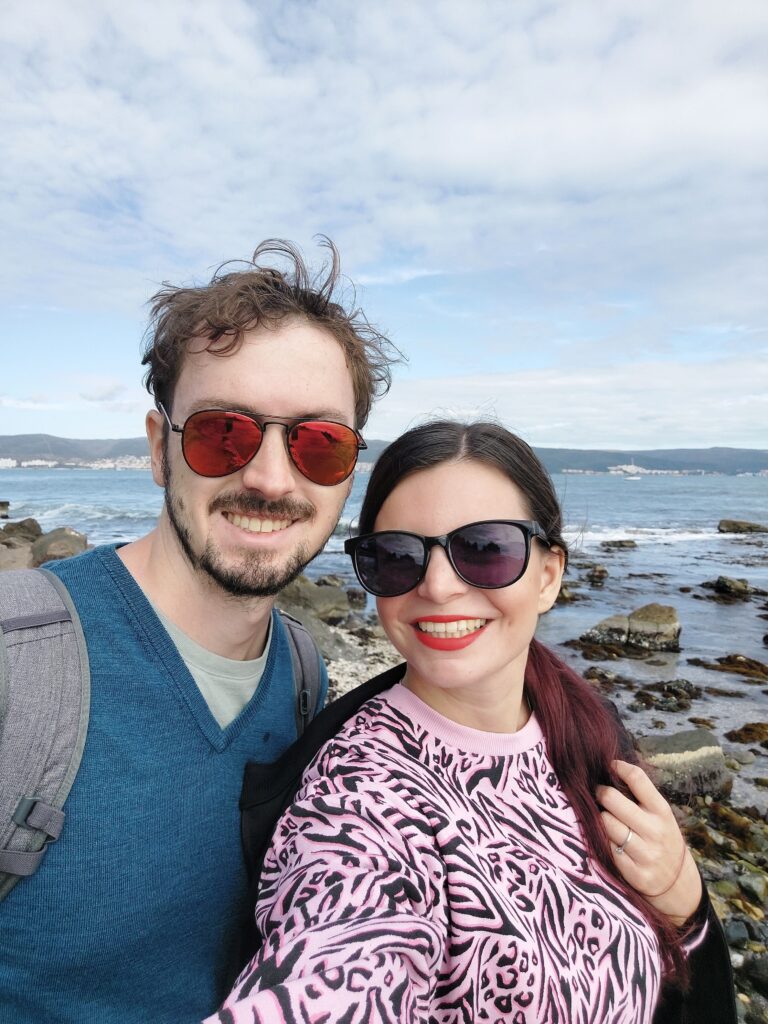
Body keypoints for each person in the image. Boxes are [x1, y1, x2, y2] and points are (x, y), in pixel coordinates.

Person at [210, 420, 735, 1024]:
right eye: (397, 556)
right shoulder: (361, 794)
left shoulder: (586, 727)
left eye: (487, 549)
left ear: (548, 575)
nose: (436, 587)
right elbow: (338, 966)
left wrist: (686, 903)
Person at [0, 239, 398, 1024]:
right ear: (160, 448)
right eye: (225, 433)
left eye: (320, 444)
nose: (271, 478)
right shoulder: (20, 663)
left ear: (350, 471)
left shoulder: (303, 676)